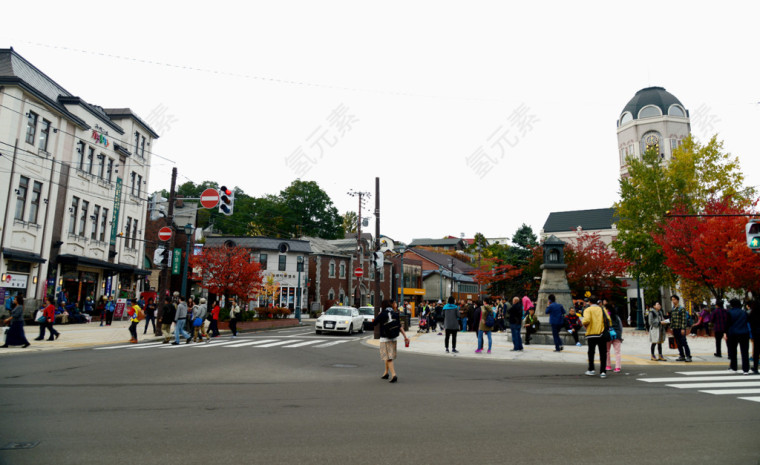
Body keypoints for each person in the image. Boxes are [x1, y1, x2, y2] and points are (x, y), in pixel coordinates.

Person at [375, 299, 409, 383]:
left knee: (388, 358)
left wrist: (379, 317)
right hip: (394, 337)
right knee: (388, 356)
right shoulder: (395, 313)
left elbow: (374, 323)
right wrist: (405, 336)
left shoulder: (382, 314)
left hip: (385, 338)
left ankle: (394, 375)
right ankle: (386, 373)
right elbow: (400, 326)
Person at [582, 298, 611, 378]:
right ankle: (603, 371)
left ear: (590, 302)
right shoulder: (602, 309)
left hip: (591, 334)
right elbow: (608, 319)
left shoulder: (588, 310)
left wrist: (585, 324)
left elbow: (586, 320)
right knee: (603, 353)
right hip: (601, 333)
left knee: (591, 352)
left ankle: (591, 369)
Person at [725, 298, 750, 374]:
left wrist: (725, 333)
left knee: (733, 351)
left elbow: (727, 324)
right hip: (744, 333)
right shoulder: (744, 312)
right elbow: (748, 322)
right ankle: (745, 369)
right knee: (745, 352)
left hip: (733, 333)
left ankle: (734, 367)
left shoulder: (729, 313)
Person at [670, 295, 692, 362]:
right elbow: (672, 319)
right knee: (678, 343)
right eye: (672, 300)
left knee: (684, 342)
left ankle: (688, 356)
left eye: (674, 299)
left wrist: (683, 328)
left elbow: (683, 319)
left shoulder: (681, 309)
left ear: (677, 300)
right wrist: (671, 327)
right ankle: (682, 355)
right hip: (675, 328)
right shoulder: (673, 309)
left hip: (680, 328)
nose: (673, 301)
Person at [605, 304, 624, 373]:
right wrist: (620, 334)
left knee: (607, 351)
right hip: (617, 335)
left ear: (607, 309)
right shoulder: (616, 317)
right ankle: (617, 367)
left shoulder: (605, 317)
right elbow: (620, 326)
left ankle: (608, 365)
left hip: (608, 335)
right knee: (617, 352)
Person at [749, 300, 760, 374]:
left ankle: (755, 367)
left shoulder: (752, 314)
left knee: (756, 351)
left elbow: (750, 325)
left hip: (756, 334)